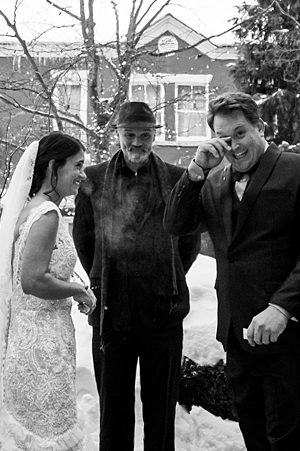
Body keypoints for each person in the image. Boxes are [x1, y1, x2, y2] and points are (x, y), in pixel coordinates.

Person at [164, 92, 300, 451]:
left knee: (295, 444)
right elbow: (176, 223)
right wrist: (196, 170)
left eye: (241, 133)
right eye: (225, 137)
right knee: (257, 441)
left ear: (260, 128)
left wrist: (282, 308)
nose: (234, 145)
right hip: (238, 340)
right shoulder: (213, 182)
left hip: (293, 340)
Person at [73, 101, 201, 451]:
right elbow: (83, 239)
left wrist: (166, 274)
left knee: (161, 412)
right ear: (117, 135)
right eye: (130, 134)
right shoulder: (94, 180)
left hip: (164, 311)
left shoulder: (177, 179)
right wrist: (104, 275)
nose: (137, 143)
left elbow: (188, 241)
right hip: (111, 311)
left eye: (145, 135)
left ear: (154, 136)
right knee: (113, 411)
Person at [0, 132, 97, 451]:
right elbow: (32, 280)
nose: (82, 174)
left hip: (31, 340)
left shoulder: (32, 208)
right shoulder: (47, 214)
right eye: (77, 165)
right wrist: (79, 290)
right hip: (40, 350)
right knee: (41, 437)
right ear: (53, 168)